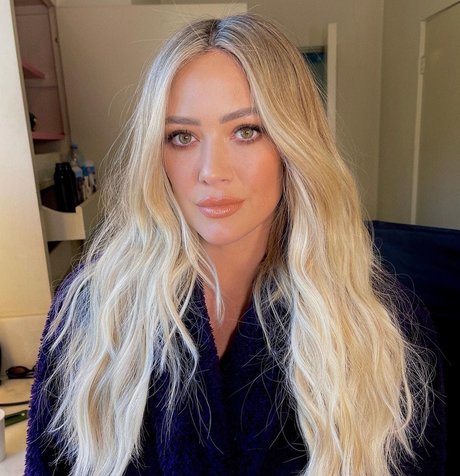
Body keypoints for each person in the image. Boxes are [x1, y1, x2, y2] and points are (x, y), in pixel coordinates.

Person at [25, 13, 445, 476]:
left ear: (293, 144)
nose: (212, 171)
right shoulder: (94, 311)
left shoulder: (380, 325)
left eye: (247, 131)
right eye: (182, 137)